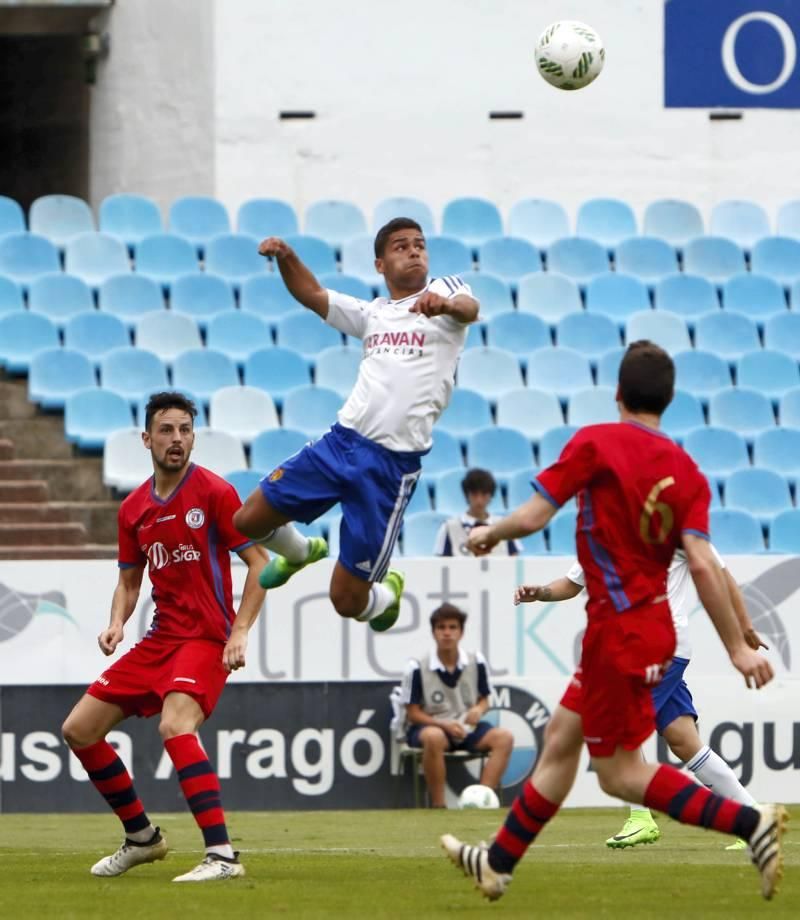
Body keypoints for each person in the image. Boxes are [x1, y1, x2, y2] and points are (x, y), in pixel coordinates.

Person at [440, 341, 785, 902]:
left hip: (620, 636)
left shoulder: (595, 443)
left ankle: (750, 823)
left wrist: (490, 532)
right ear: (668, 400)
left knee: (620, 774)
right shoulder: (688, 473)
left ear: (618, 393)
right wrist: (738, 647)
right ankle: (497, 863)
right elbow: (703, 563)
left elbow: (534, 514)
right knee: (560, 740)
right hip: (645, 633)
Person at [233, 218, 479, 633]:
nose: (414, 251)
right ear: (380, 265)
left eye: (419, 244)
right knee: (247, 521)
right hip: (341, 444)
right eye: (401, 247)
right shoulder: (374, 314)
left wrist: (445, 304)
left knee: (345, 601)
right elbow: (312, 294)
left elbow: (470, 309)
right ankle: (299, 552)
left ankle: (387, 595)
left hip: (390, 468)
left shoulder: (448, 292)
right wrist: (288, 257)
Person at [62, 392, 268, 883]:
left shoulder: (215, 493)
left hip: (204, 638)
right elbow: (130, 581)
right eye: (168, 431)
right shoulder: (133, 508)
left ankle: (222, 856)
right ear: (147, 438)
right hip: (159, 640)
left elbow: (261, 567)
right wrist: (117, 622)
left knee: (176, 726)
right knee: (79, 729)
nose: (177, 440)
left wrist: (239, 631)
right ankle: (142, 838)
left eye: (185, 430)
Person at [515, 545, 768, 851]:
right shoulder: (601, 531)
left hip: (661, 646)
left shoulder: (676, 521)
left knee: (618, 728)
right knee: (683, 740)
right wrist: (540, 592)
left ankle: (641, 818)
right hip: (627, 647)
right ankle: (754, 817)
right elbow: (572, 583)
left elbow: (719, 573)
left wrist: (743, 626)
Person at [402, 603, 513, 807]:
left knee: (504, 738)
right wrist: (443, 725)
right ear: (433, 632)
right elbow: (413, 713)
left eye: (452, 627)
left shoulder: (476, 661)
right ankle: (439, 806)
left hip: (467, 729)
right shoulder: (417, 666)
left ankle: (482, 800)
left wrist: (478, 710)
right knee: (433, 737)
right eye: (441, 627)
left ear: (461, 632)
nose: (447, 633)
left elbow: (485, 698)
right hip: (432, 728)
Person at [434, 468, 522, 556]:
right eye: (474, 494)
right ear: (467, 494)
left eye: (484, 494)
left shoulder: (505, 526)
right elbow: (440, 563)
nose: (479, 500)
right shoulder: (449, 527)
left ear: (491, 495)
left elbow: (515, 561)